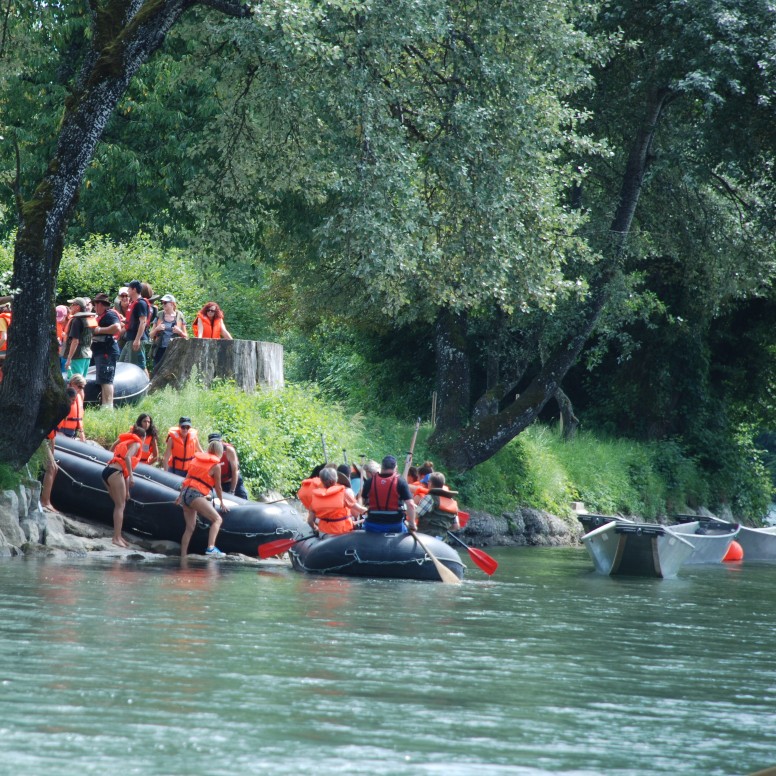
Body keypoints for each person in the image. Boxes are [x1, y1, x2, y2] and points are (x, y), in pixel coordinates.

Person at [176, 438, 231, 557]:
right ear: (219, 451)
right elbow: (218, 487)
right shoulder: (216, 466)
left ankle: (183, 556)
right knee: (217, 519)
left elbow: (187, 479)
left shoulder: (196, 460)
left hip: (186, 493)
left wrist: (180, 496)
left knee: (189, 528)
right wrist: (221, 502)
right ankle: (211, 548)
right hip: (195, 495)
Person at [101, 427, 145, 548]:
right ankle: (116, 538)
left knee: (119, 505)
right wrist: (132, 476)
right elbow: (127, 457)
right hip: (115, 473)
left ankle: (118, 536)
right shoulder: (136, 443)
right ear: (143, 437)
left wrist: (127, 491)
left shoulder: (126, 442)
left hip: (107, 472)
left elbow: (122, 466)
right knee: (120, 506)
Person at [360, 455, 417, 533]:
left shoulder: (370, 482)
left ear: (382, 467)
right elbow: (410, 505)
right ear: (395, 468)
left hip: (372, 524)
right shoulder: (401, 482)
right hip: (394, 525)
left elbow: (362, 500)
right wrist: (412, 525)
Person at [306, 466, 367, 535]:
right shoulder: (344, 494)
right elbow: (361, 510)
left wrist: (315, 528)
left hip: (324, 532)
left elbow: (310, 521)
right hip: (342, 532)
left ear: (322, 481)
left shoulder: (315, 497)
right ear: (334, 480)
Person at [90, 292, 122, 409]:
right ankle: (104, 405)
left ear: (100, 305)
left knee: (107, 380)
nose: (94, 307)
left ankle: (108, 407)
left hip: (107, 351)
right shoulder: (98, 316)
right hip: (100, 351)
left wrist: (98, 330)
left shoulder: (110, 315)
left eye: (96, 304)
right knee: (102, 380)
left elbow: (117, 328)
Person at [415, 472, 461, 537]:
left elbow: (415, 515)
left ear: (430, 483)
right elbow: (456, 527)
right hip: (441, 539)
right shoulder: (452, 502)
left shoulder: (430, 498)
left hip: (424, 536)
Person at [149, 294, 187, 369]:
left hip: (174, 349)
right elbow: (150, 335)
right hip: (159, 349)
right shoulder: (159, 315)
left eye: (165, 302)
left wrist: (180, 332)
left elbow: (186, 337)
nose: (163, 304)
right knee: (157, 370)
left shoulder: (179, 316)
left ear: (172, 303)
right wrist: (157, 329)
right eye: (162, 303)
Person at [119, 279, 149, 373]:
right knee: (122, 363)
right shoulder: (133, 303)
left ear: (134, 290)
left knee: (139, 366)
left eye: (129, 288)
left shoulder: (141, 303)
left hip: (136, 340)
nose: (127, 290)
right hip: (130, 339)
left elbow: (143, 322)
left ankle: (147, 385)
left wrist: (137, 339)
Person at [207, 432, 248, 499]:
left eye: (217, 443)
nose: (215, 446)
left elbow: (235, 471)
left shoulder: (229, 451)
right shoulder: (208, 453)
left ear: (221, 441)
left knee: (243, 498)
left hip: (233, 481)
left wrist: (232, 491)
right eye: (212, 443)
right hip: (220, 484)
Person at [62, 297, 94, 378]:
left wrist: (69, 359)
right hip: (87, 355)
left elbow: (75, 341)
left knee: (75, 383)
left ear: (77, 307)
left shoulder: (76, 321)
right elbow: (91, 339)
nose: (70, 307)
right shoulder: (88, 319)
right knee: (81, 382)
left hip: (77, 356)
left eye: (72, 305)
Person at [56, 377, 86, 442]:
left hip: (72, 432)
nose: (80, 390)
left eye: (82, 388)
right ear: (72, 383)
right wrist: (57, 430)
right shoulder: (64, 396)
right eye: (79, 387)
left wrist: (81, 432)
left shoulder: (78, 397)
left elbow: (80, 416)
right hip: (61, 431)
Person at [40, 430, 58, 512]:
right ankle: (45, 502)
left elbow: (53, 434)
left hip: (47, 439)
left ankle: (47, 500)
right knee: (50, 467)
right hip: (41, 437)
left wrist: (52, 452)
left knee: (55, 468)